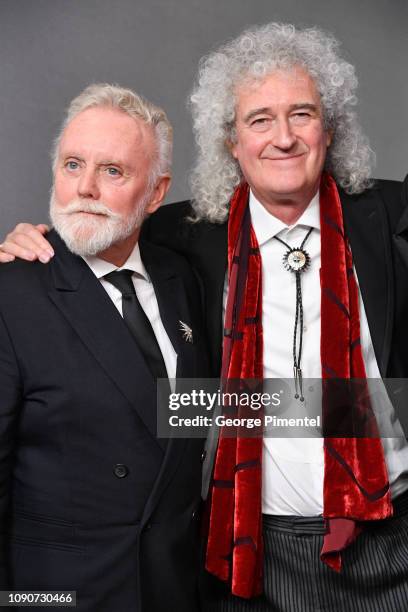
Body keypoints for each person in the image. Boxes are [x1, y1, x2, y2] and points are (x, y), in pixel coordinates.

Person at [2, 22, 408, 612]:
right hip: (252, 550)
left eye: (303, 114)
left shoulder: (394, 222)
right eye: (259, 120)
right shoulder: (187, 236)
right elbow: (97, 220)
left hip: (393, 537)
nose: (284, 138)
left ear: (330, 127)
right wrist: (33, 242)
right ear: (232, 140)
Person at [0, 83, 209, 612]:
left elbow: (186, 417)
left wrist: (369, 416)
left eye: (113, 171)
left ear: (156, 194)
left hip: (175, 590)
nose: (85, 188)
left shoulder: (181, 277)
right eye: (72, 164)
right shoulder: (12, 291)